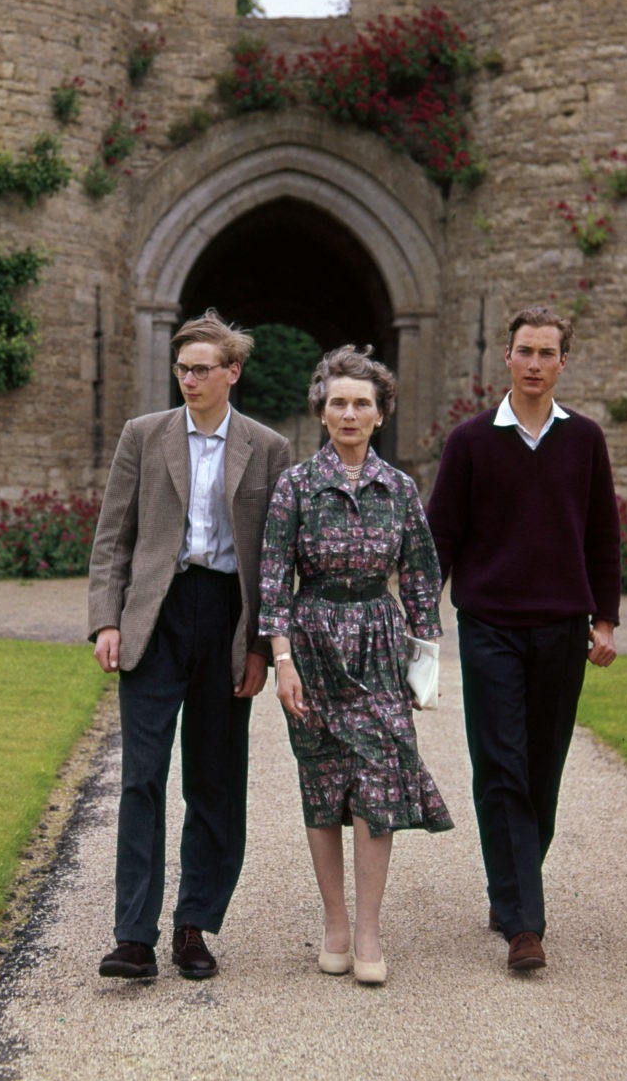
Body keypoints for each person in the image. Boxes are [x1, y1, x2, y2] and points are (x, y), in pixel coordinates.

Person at [87, 309, 293, 982]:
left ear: (232, 373)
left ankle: (194, 924)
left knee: (214, 779)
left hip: (228, 619)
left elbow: (275, 559)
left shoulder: (268, 448)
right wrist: (107, 619)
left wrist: (262, 646)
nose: (189, 379)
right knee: (142, 777)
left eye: (202, 368)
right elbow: (113, 536)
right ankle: (134, 936)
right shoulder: (144, 436)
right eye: (182, 368)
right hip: (156, 616)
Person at [426, 304, 620, 974]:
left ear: (564, 361)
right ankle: (524, 924)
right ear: (505, 357)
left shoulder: (585, 440)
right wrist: (422, 616)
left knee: (542, 772)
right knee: (502, 765)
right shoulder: (471, 441)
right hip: (489, 626)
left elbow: (602, 535)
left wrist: (606, 620)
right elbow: (440, 537)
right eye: (524, 351)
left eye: (547, 352)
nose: (534, 363)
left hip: (563, 627)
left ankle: (509, 886)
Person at [260, 346, 451, 987]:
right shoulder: (294, 485)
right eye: (338, 401)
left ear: (379, 413)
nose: (349, 413)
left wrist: (425, 660)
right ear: (322, 409)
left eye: (361, 403)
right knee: (321, 782)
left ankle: (368, 928)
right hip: (311, 642)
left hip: (377, 638)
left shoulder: (398, 489)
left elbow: (422, 577)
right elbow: (272, 580)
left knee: (380, 779)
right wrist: (281, 661)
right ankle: (335, 923)